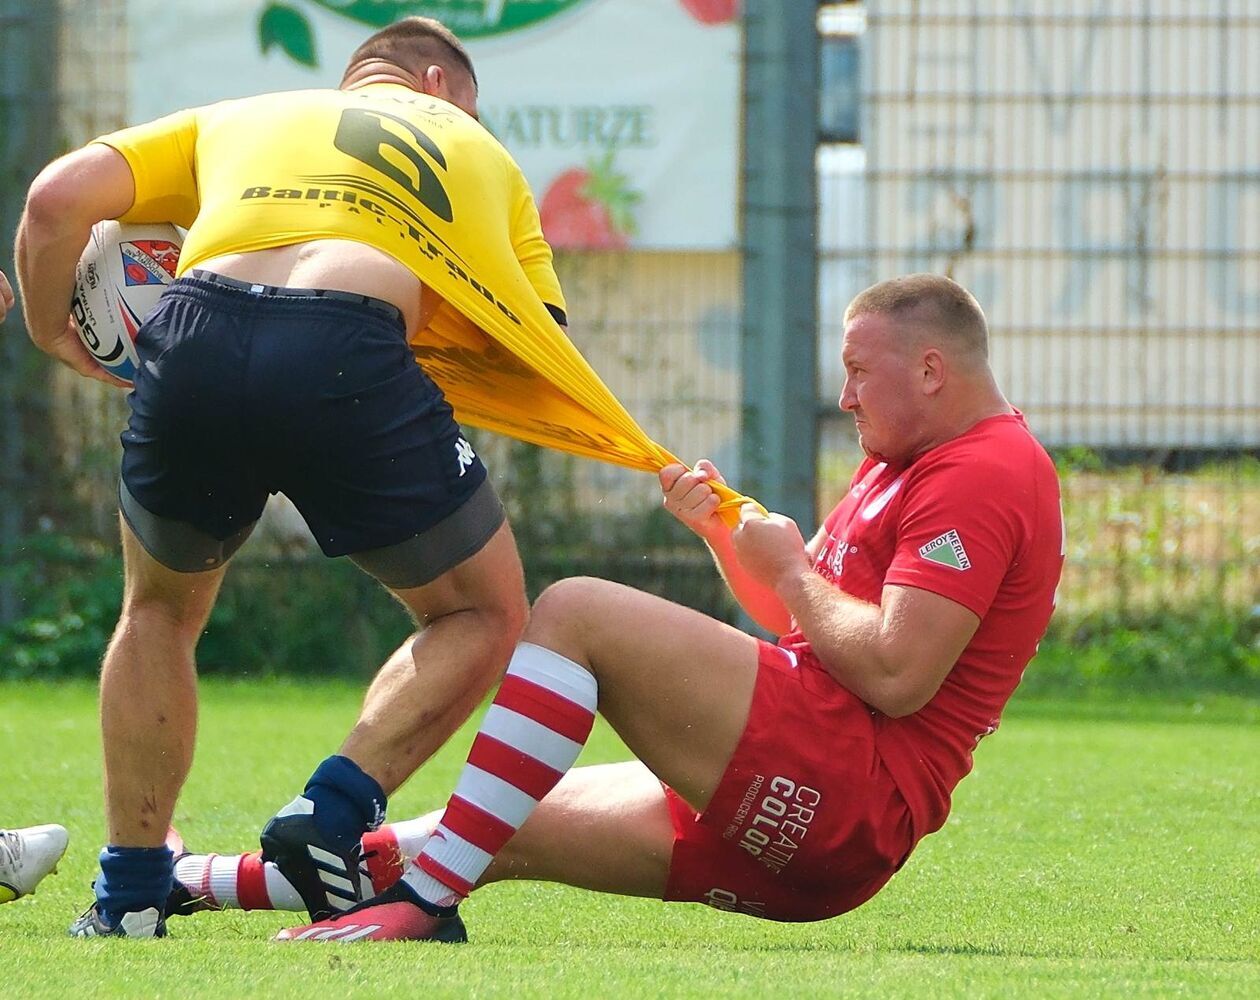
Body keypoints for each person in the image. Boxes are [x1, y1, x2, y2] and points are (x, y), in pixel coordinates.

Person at [168, 273, 1066, 941]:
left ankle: (424, 906)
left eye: (859, 372)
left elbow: (897, 675)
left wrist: (793, 570)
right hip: (819, 821)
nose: (845, 396)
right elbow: (813, 635)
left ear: (934, 369)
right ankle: (193, 882)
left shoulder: (983, 472)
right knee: (490, 823)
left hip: (845, 794)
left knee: (575, 611)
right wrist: (729, 541)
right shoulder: (913, 454)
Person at [13, 17, 568, 938]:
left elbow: (54, 200)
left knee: (156, 612)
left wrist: (46, 331)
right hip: (347, 346)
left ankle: (132, 893)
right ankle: (335, 809)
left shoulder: (244, 115)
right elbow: (533, 341)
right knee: (483, 611)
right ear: (439, 84)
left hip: (189, 331)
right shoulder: (475, 150)